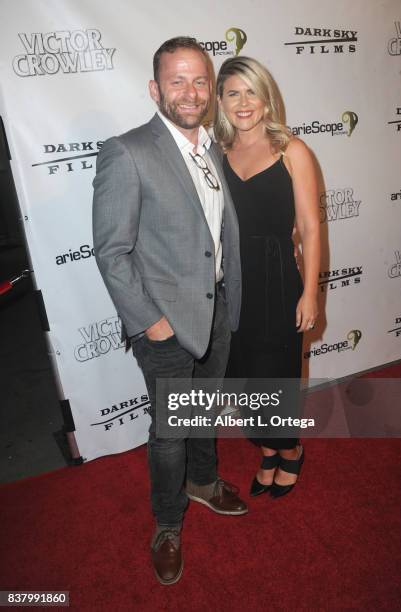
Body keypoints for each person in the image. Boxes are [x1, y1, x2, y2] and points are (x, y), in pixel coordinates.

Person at [92, 37, 247, 586]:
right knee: (170, 432)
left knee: (204, 411)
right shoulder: (128, 151)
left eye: (199, 80)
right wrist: (153, 323)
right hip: (164, 326)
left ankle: (203, 484)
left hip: (218, 308)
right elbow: (112, 252)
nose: (190, 91)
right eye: (177, 80)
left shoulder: (213, 148)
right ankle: (166, 523)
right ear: (155, 89)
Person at [214, 56, 320, 499]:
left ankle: (289, 449)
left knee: (275, 371)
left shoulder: (292, 151)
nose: (243, 103)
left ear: (266, 98)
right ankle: (269, 446)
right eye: (233, 93)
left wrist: (311, 292)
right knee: (245, 376)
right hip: (234, 284)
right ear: (219, 100)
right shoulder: (216, 153)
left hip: (279, 280)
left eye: (251, 92)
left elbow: (311, 227)